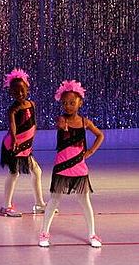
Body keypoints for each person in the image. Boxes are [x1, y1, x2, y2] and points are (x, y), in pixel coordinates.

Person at [38, 80, 104, 248]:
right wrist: (63, 127)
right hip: (62, 167)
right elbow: (60, 126)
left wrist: (90, 152)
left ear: (80, 102)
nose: (68, 106)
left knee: (85, 202)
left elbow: (100, 135)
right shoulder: (61, 120)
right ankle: (44, 233)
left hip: (79, 168)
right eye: (65, 103)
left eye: (72, 103)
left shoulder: (85, 122)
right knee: (54, 200)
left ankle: (92, 234)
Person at [0, 68, 47, 217]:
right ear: (11, 93)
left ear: (27, 88)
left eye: (22, 90)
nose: (19, 94)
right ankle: (6, 206)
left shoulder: (31, 104)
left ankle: (39, 204)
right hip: (13, 145)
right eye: (15, 92)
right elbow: (12, 125)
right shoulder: (13, 109)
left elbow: (33, 123)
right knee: (14, 173)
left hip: (26, 147)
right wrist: (14, 139)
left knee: (37, 171)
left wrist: (31, 138)